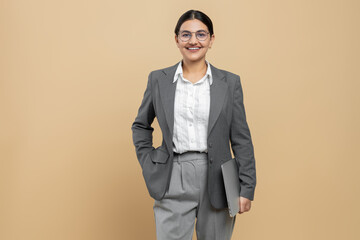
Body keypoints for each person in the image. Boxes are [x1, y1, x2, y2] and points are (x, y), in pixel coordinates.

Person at [131, 9, 256, 240]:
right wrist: (150, 162)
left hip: (219, 178)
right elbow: (140, 125)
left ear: (211, 40)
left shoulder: (229, 83)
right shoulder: (158, 79)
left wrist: (246, 187)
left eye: (201, 34)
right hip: (172, 174)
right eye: (186, 35)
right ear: (176, 39)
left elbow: (241, 138)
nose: (193, 41)